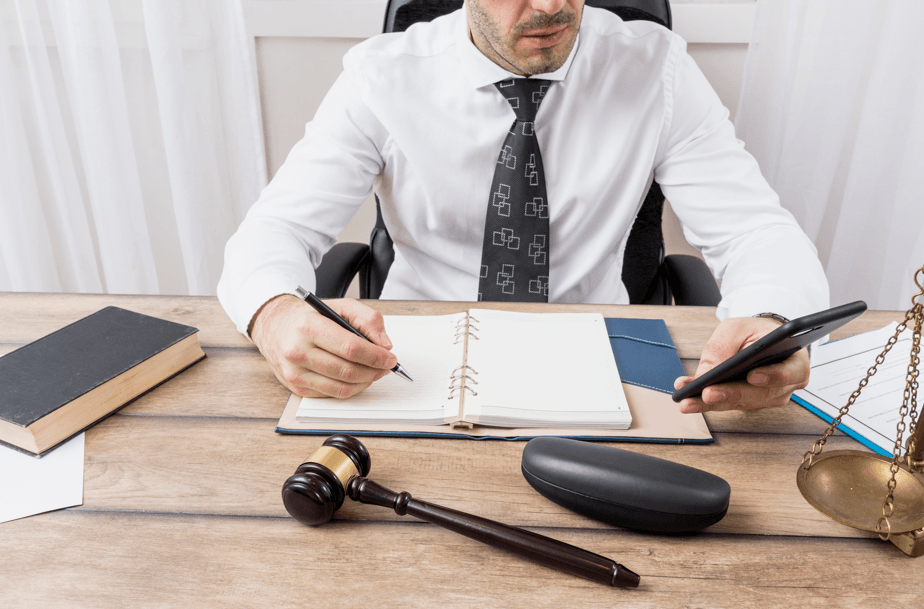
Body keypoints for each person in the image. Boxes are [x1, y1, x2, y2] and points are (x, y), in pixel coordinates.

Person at [217, 0, 829, 415]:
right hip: (416, 363)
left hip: (609, 357)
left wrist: (771, 317)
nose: (549, 6)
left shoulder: (657, 68)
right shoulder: (381, 76)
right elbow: (276, 228)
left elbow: (754, 229)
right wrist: (273, 314)